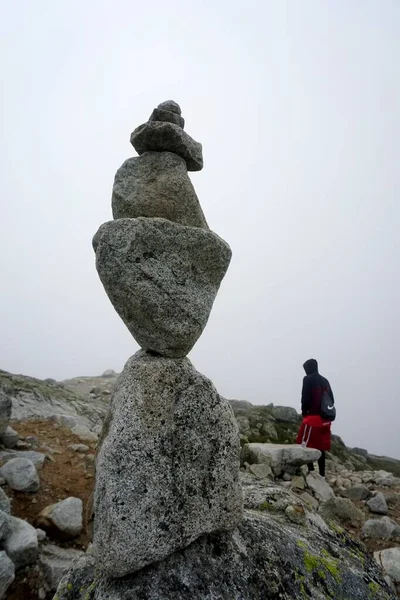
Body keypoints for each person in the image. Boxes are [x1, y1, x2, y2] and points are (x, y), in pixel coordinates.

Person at [296, 358, 334, 477]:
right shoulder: (325, 381)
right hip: (325, 419)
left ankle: (311, 472)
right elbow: (331, 399)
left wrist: (304, 413)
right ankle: (322, 474)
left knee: (306, 443)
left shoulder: (308, 379)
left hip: (312, 417)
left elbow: (305, 398)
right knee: (321, 445)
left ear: (308, 368)